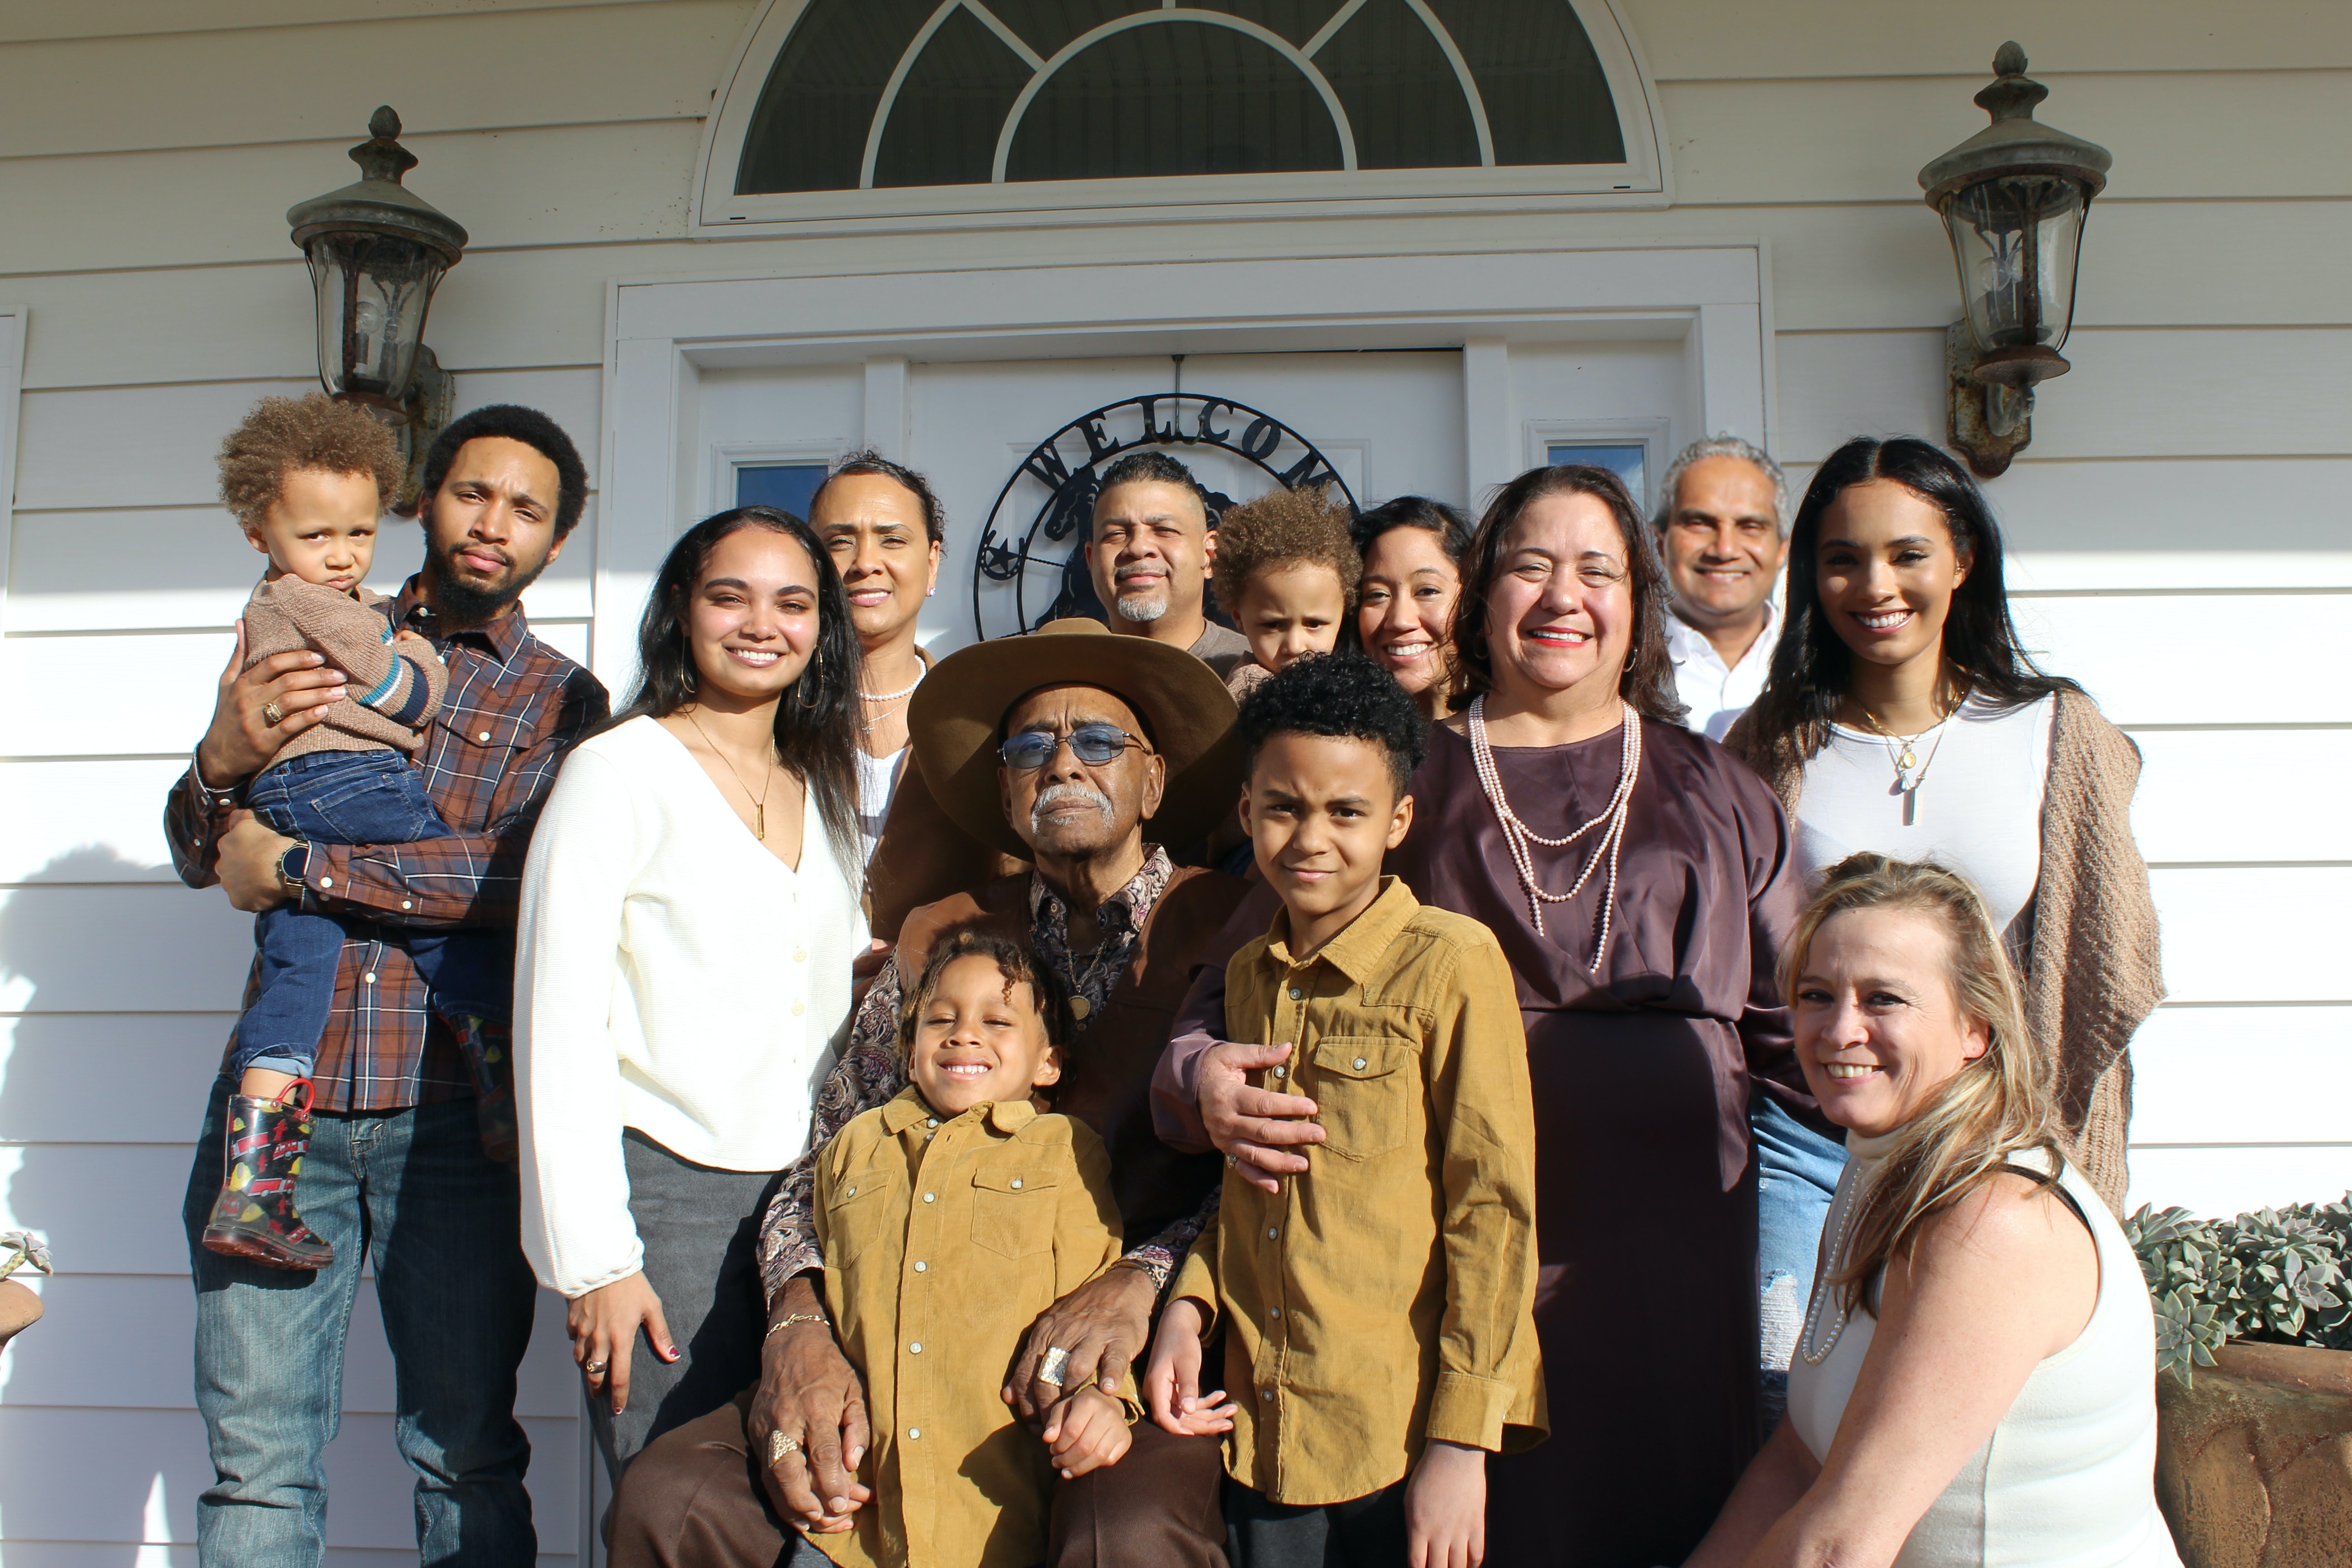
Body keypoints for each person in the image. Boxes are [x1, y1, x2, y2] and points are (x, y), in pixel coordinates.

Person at [1157, 464, 1813, 1566]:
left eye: (1595, 570)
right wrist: (1202, 1081)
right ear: (1478, 597)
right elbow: (1216, 1005)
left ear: (1636, 606)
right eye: (1529, 566)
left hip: (1668, 1278)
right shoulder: (1397, 782)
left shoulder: (1721, 791)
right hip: (1421, 1293)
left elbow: (1806, 1048)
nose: (1563, 596)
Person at [607, 617, 1255, 1568]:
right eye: (1031, 746)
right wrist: (800, 1327)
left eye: (1101, 742)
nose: (1064, 766)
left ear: (1154, 780)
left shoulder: (1233, 926)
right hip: (899, 1325)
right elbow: (821, 1159)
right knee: (673, 1501)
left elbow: (1260, 1171)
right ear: (1003, 788)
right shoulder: (939, 937)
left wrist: (1138, 1282)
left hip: (1134, 1350)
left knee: (1131, 1533)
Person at [168, 402, 608, 1566]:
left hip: (452, 1120)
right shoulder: (300, 623)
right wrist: (218, 757)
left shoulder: (566, 703)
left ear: (554, 542)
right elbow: (201, 849)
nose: (491, 524)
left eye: (526, 509)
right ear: (427, 502)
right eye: (473, 493)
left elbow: (514, 876)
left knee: (463, 1450)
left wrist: (303, 866)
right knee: (257, 1471)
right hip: (282, 1114)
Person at [1146, 652, 1546, 1566]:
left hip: (1398, 1431)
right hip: (1266, 1424)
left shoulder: (1451, 964)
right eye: (1283, 808)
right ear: (1247, 814)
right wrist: (1191, 1307)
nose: (1310, 838)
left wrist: (1460, 1442)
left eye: (1346, 812)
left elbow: (1493, 1210)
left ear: (1398, 820)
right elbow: (1250, 1189)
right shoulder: (1247, 977)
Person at [1685, 855, 2182, 1568]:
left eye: (1883, 999)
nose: (1838, 1030)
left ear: (1976, 1028)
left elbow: (1839, 1548)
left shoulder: (1991, 1223)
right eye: (1818, 995)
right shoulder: (1879, 1163)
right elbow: (1799, 1460)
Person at [516, 505, 869, 1478]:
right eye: (731, 596)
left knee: (807, 1499)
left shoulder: (816, 784)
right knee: (675, 1496)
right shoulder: (616, 772)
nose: (763, 624)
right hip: (669, 1195)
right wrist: (598, 1261)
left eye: (793, 603)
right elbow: (559, 1018)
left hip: (815, 1199)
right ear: (682, 609)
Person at [1725, 436, 2162, 1217]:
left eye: (1906, 554)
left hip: (2000, 1144)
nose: (1873, 585)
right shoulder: (1765, 748)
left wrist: (2036, 1141)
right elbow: (1736, 968)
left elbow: (2111, 968)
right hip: (1817, 1153)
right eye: (1842, 559)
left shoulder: (2059, 735)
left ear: (1960, 560)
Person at [197, 393, 471, 1272]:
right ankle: (490, 1049)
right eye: (319, 537)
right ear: (257, 530)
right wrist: (418, 659)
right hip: (342, 779)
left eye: (358, 534)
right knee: (437, 886)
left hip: (282, 799)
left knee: (294, 981)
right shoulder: (325, 606)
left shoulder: (273, 608)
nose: (343, 555)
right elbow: (407, 697)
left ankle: (253, 1189)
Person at [800, 930, 1138, 1568]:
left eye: (997, 1020)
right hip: (853, 1531)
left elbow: (1094, 1297)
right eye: (941, 1020)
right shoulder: (854, 1147)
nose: (963, 1035)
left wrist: (1106, 1400)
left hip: (993, 1527)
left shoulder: (1066, 1152)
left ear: (1048, 1063)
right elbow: (826, 1293)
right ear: (908, 1052)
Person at [809, 451, 945, 864]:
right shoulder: (772, 712)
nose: (865, 563)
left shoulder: (979, 718)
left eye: (892, 539)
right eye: (839, 542)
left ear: (932, 562)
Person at [1656, 436, 1790, 741]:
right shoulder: (1617, 669)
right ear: (1661, 543)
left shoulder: (1820, 664)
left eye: (1750, 526)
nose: (1725, 549)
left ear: (1782, 549)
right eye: (1700, 523)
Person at [1086, 450, 1251, 678]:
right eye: (1116, 534)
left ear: (1210, 554)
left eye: (1165, 531)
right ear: (1091, 559)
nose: (1138, 548)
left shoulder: (1263, 674)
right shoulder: (1058, 677)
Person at [1205, 482, 1359, 700]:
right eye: (1274, 625)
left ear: (1343, 614)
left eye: (1314, 624)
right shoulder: (1252, 690)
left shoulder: (1343, 677)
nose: (1295, 646)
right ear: (1238, 618)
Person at [1352, 496, 1471, 721]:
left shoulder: (1518, 735)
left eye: (1427, 591)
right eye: (1378, 595)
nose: (1400, 620)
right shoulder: (1333, 742)